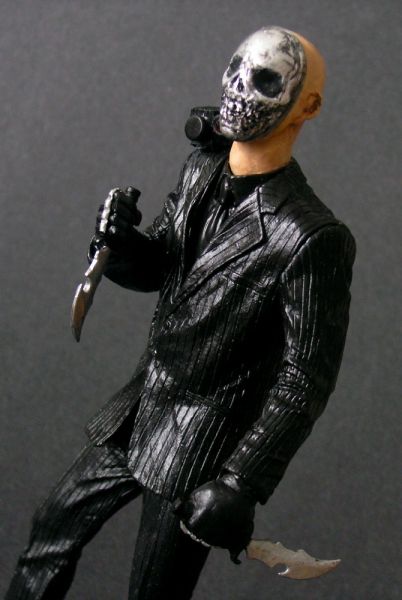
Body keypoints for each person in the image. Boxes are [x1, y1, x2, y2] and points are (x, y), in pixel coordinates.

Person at [6, 26, 355, 599]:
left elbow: (305, 379)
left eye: (266, 81)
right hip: (139, 407)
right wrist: (121, 245)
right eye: (235, 69)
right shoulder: (201, 170)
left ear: (307, 106)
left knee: (154, 590)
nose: (239, 89)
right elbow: (161, 268)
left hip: (199, 445)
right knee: (51, 530)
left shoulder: (309, 236)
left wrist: (241, 480)